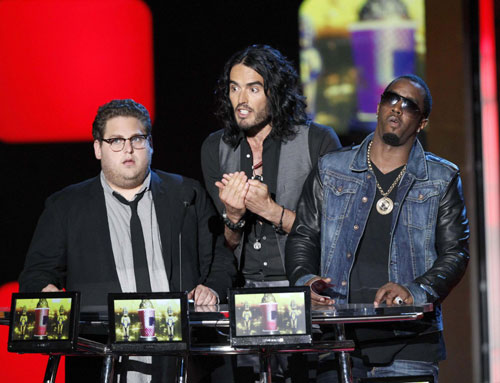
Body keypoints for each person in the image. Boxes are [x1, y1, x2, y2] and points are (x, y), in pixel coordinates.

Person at [19, 99, 236, 382]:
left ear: (150, 144)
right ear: (98, 148)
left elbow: (221, 260)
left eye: (137, 138)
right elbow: (36, 275)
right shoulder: (65, 206)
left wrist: (212, 290)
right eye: (116, 141)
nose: (129, 149)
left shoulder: (186, 195)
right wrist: (45, 291)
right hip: (101, 357)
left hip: (183, 359)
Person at [285, 74, 470, 382]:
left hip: (409, 337)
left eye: (409, 105)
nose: (396, 108)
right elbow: (304, 234)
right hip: (339, 333)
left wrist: (415, 291)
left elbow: (455, 252)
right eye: (391, 99)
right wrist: (305, 280)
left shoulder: (440, 178)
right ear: (379, 107)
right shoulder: (332, 169)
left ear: (422, 122)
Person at [201, 44, 341, 382]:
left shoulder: (317, 141)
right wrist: (233, 217)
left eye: (253, 88)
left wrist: (272, 211)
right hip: (244, 298)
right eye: (234, 88)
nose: (241, 99)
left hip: (304, 295)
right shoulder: (216, 148)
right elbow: (223, 248)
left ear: (275, 92)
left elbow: (336, 238)